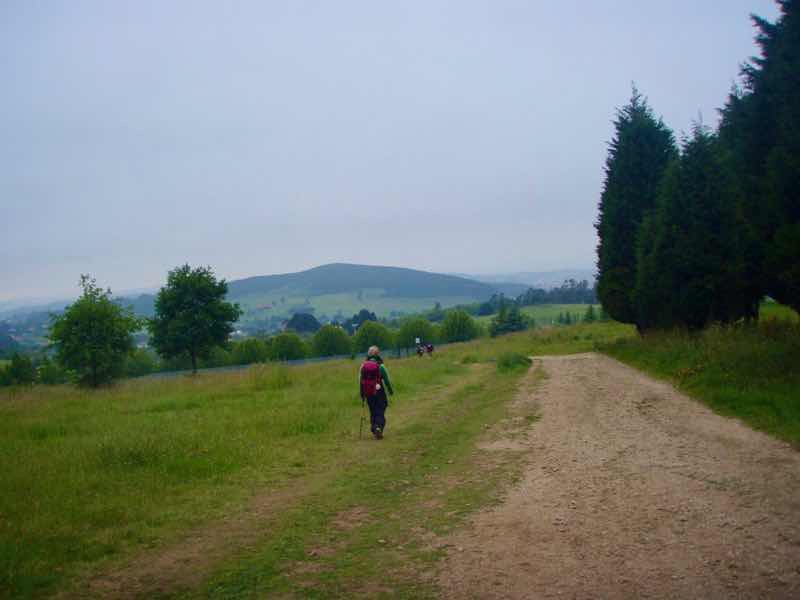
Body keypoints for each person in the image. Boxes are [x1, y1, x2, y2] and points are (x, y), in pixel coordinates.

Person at [359, 345, 394, 439]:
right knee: (381, 409)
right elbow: (386, 380)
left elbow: (361, 381)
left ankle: (374, 427)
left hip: (368, 392)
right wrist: (390, 391)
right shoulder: (380, 366)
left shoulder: (363, 366)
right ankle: (378, 427)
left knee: (373, 410)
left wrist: (362, 394)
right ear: (377, 354)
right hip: (379, 391)